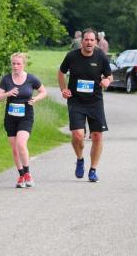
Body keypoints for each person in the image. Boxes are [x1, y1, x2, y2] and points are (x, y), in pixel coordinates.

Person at [57, 28, 113, 182]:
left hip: (95, 101)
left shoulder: (100, 56)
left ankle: (93, 170)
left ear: (96, 42)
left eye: (92, 40)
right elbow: (61, 73)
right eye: (86, 40)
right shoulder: (72, 56)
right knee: (78, 135)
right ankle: (80, 159)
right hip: (76, 101)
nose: (89, 42)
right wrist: (64, 89)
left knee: (97, 135)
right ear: (82, 41)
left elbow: (109, 75)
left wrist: (107, 81)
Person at [0, 52, 47, 188]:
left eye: (18, 64)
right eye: (13, 63)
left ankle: (28, 174)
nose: (15, 66)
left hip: (26, 115)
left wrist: (36, 99)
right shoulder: (6, 79)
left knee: (21, 143)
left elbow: (44, 92)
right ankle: (21, 175)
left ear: (23, 64)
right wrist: (8, 93)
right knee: (14, 149)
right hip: (10, 117)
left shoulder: (31, 79)